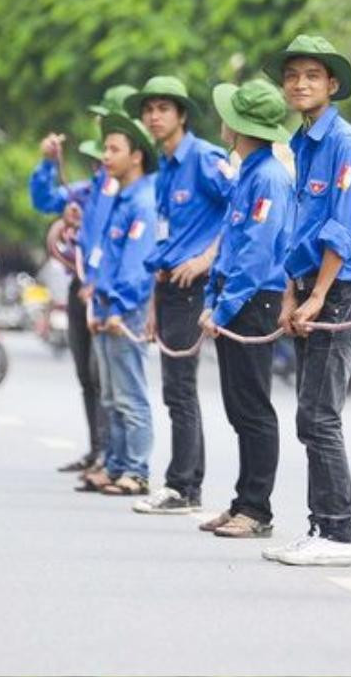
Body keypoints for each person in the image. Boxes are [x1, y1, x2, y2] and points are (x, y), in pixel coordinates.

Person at [257, 36, 351, 565]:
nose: (301, 84)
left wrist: (320, 294)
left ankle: (338, 532)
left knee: (320, 416)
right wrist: (292, 294)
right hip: (310, 289)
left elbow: (344, 229)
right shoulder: (304, 143)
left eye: (312, 75)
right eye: (292, 76)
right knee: (310, 414)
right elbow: (299, 231)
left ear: (332, 85)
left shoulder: (345, 143)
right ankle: (320, 527)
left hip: (342, 291)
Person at [127, 76, 235, 515]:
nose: (154, 116)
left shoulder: (205, 158)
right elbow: (163, 238)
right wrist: (153, 303)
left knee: (181, 389)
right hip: (168, 287)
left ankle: (184, 486)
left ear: (182, 115)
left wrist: (208, 257)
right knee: (175, 389)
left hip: (195, 287)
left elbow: (240, 207)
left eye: (163, 109)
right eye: (149, 108)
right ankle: (184, 484)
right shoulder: (165, 167)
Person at [193, 80, 293, 537]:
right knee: (238, 406)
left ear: (236, 125)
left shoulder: (269, 177)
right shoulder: (247, 173)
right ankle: (242, 502)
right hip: (237, 298)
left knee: (252, 407)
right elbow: (230, 247)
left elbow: (255, 255)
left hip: (255, 301)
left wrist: (224, 308)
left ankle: (257, 510)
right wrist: (214, 299)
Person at [29, 83, 138, 473]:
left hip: (112, 284)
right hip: (83, 281)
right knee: (87, 372)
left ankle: (120, 457)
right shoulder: (94, 181)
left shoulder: (136, 183)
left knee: (109, 375)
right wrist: (48, 164)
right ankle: (99, 450)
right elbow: (46, 200)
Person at [85, 114, 159, 497]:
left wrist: (117, 306)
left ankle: (137, 469)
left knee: (130, 393)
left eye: (115, 149)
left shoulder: (143, 201)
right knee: (111, 394)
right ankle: (115, 465)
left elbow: (136, 264)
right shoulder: (119, 197)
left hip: (123, 308)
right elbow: (105, 255)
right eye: (105, 148)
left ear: (137, 156)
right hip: (105, 305)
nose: (106, 156)